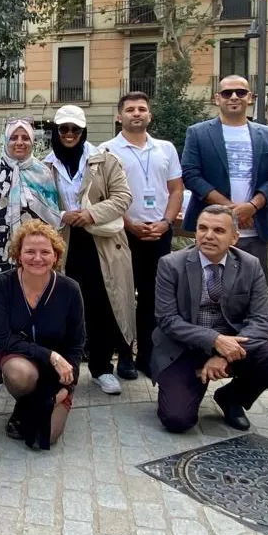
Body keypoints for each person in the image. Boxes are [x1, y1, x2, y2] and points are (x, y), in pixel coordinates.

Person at [151, 206, 268, 433]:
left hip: (232, 347)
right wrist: (214, 340)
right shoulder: (171, 264)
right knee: (177, 420)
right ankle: (184, 385)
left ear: (234, 237)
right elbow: (167, 320)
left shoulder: (250, 265)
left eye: (218, 230)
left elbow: (264, 320)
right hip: (183, 349)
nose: (208, 236)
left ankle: (231, 398)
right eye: (202, 228)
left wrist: (223, 354)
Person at [45, 104, 135, 396]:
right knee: (63, 306)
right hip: (62, 242)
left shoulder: (105, 160)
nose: (69, 134)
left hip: (101, 243)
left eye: (75, 129)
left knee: (102, 305)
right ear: (56, 131)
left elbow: (123, 197)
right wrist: (63, 215)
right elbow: (37, 202)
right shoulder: (44, 165)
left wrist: (90, 214)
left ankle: (101, 368)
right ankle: (64, 369)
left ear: (83, 132)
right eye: (64, 128)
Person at [99, 91, 185, 378]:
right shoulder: (107, 150)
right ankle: (124, 355)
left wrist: (166, 222)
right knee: (122, 295)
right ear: (119, 116)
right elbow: (103, 195)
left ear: (150, 115)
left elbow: (176, 189)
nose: (136, 113)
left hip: (159, 232)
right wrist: (128, 224)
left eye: (141, 109)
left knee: (153, 296)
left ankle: (147, 356)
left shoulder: (166, 149)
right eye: (130, 109)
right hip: (123, 233)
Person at [0, 118, 62, 393]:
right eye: (14, 137)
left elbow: (53, 216)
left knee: (32, 308)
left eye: (25, 138)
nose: (20, 142)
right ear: (6, 140)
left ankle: (30, 363)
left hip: (33, 257)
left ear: (33, 142)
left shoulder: (43, 172)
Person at [0, 220, 85, 451]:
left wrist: (68, 385)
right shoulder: (3, 284)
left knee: (43, 438)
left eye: (45, 252)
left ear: (56, 256)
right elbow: (3, 339)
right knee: (20, 373)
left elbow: (76, 343)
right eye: (30, 251)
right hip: (21, 360)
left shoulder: (70, 289)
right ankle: (27, 403)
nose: (37, 258)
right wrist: (50, 355)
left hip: (58, 372)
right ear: (18, 254)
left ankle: (40, 404)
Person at [181, 75, 268, 276]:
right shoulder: (198, 133)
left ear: (250, 97)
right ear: (217, 98)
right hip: (212, 230)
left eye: (241, 92)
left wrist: (252, 207)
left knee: (255, 288)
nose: (234, 97)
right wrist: (231, 211)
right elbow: (191, 175)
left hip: (256, 229)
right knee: (208, 287)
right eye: (227, 93)